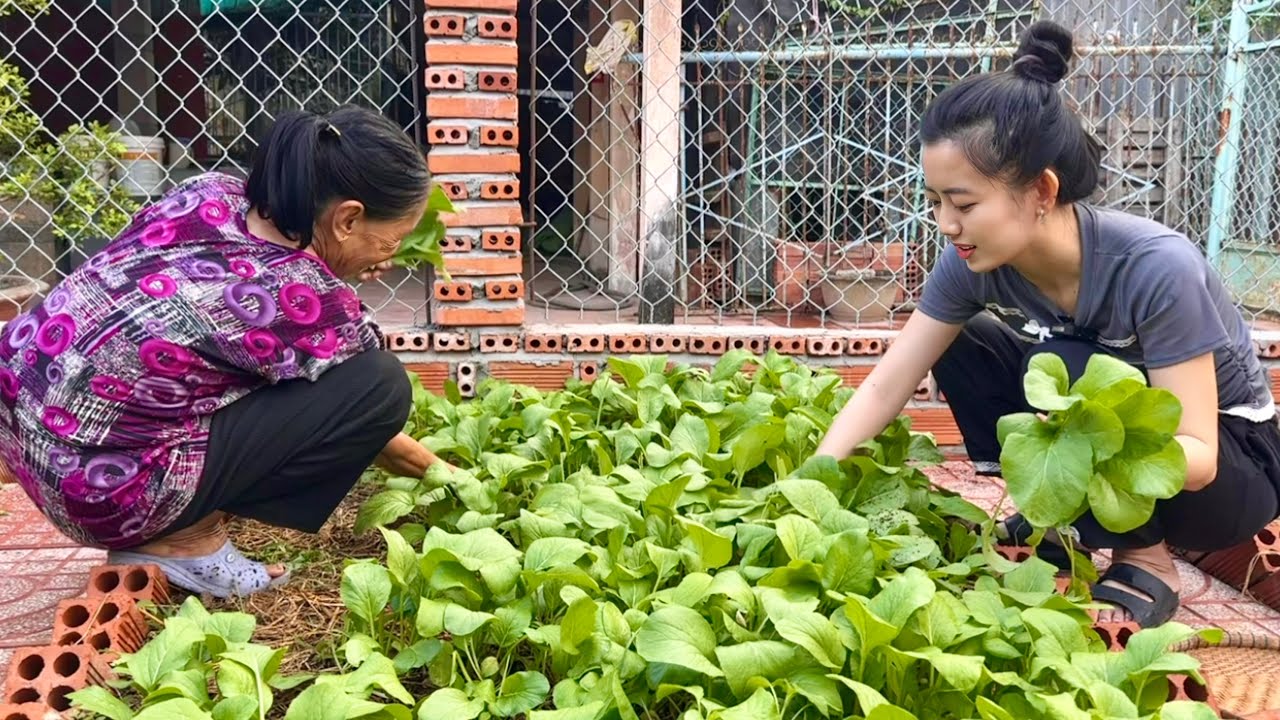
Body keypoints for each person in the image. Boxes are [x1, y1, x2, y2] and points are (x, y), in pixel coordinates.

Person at [813, 20, 1280, 628]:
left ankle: (1147, 558)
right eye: (935, 202)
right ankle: (1059, 523)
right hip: (1123, 450)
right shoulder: (970, 264)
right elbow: (885, 384)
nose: (945, 223)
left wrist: (1074, 435)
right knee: (966, 342)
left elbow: (1197, 456)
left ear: (1041, 190)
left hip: (1227, 473)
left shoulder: (1156, 267)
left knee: (1074, 366)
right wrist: (813, 482)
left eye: (964, 203)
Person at [0, 105, 447, 598]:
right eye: (395, 239)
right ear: (347, 218)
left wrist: (331, 265)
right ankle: (183, 540)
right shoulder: (305, 298)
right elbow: (363, 417)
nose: (392, 253)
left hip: (27, 442)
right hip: (102, 495)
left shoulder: (211, 192)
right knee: (378, 387)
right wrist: (452, 480)